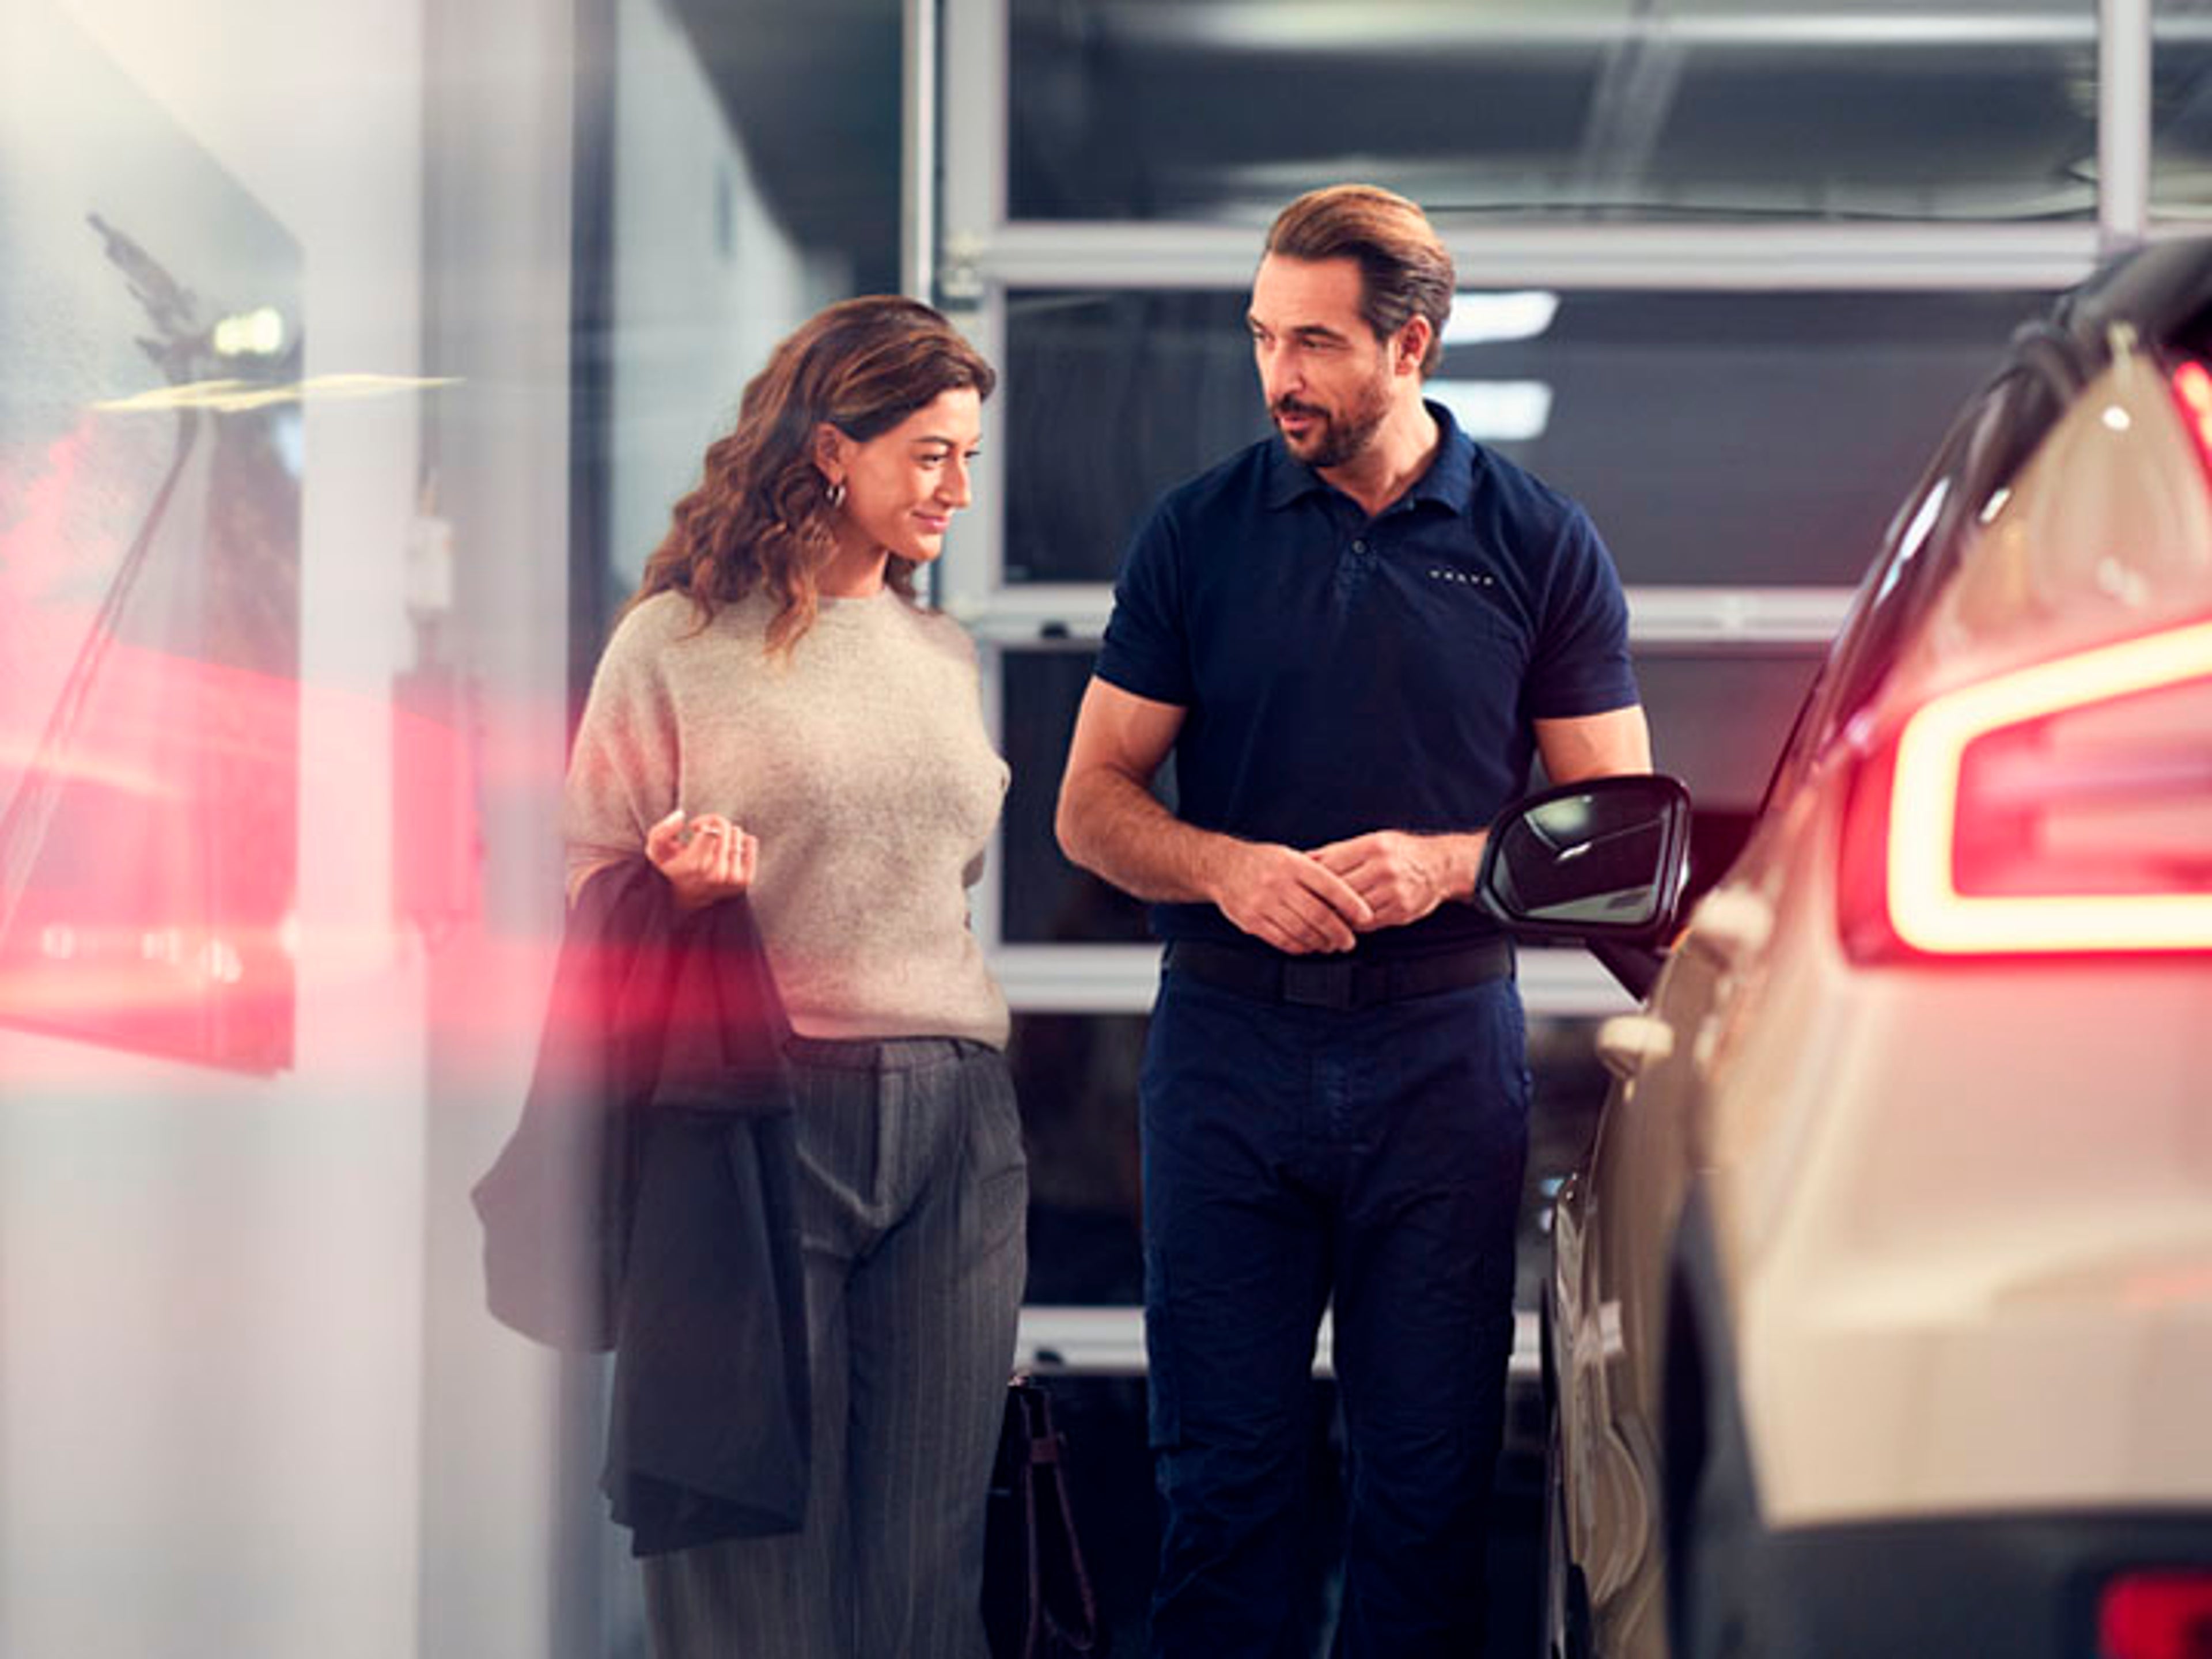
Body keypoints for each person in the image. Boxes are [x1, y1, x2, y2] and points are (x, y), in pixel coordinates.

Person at [1055, 185, 1651, 1658]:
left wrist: (1453, 864)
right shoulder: (1196, 534)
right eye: (1264, 338)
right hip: (1228, 1056)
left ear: (1412, 346)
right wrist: (1226, 868)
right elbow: (1093, 805)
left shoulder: (1537, 542)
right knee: (1226, 1493)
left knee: (1426, 1498)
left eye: (1313, 343)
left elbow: (1620, 835)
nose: (1279, 378)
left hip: (1442, 1059)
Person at [562, 295, 1028, 1659]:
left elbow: (937, 883)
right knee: (751, 1561)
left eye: (970, 459)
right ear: (835, 448)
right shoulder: (677, 642)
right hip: (757, 1119)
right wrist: (678, 888)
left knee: (927, 1576)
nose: (955, 488)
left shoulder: (942, 657)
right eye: (929, 454)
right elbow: (588, 876)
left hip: (957, 1123)